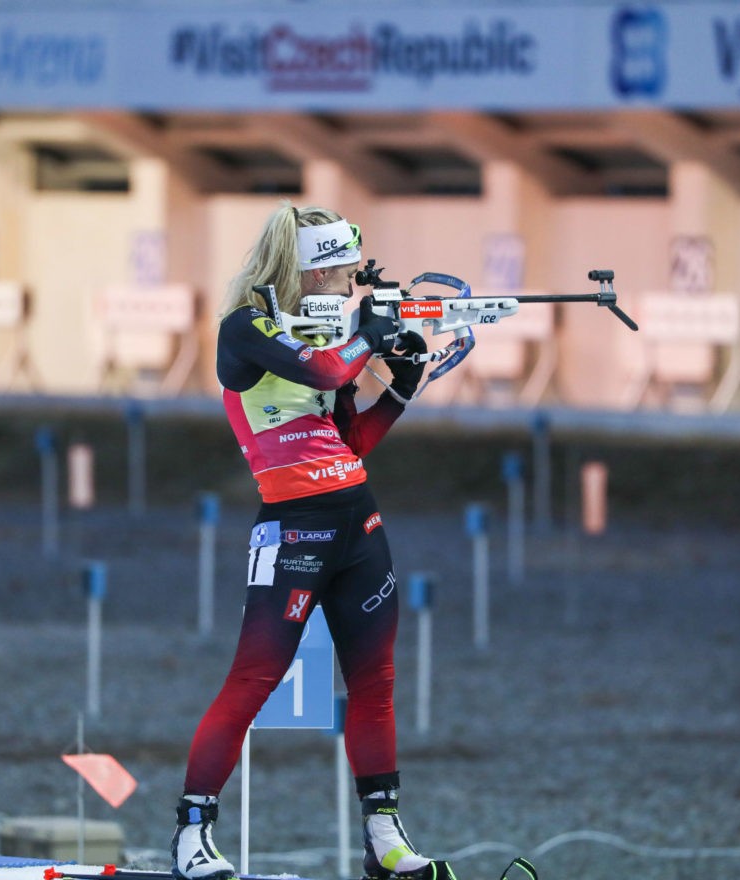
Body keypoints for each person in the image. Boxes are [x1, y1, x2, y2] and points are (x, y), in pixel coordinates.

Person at [171, 203, 451, 880]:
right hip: (292, 527)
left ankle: (383, 838)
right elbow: (326, 372)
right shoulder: (247, 328)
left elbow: (349, 449)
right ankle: (190, 836)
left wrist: (403, 384)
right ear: (314, 271)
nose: (352, 287)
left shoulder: (326, 339)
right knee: (253, 680)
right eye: (344, 275)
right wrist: (368, 337)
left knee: (375, 683)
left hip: (358, 523)